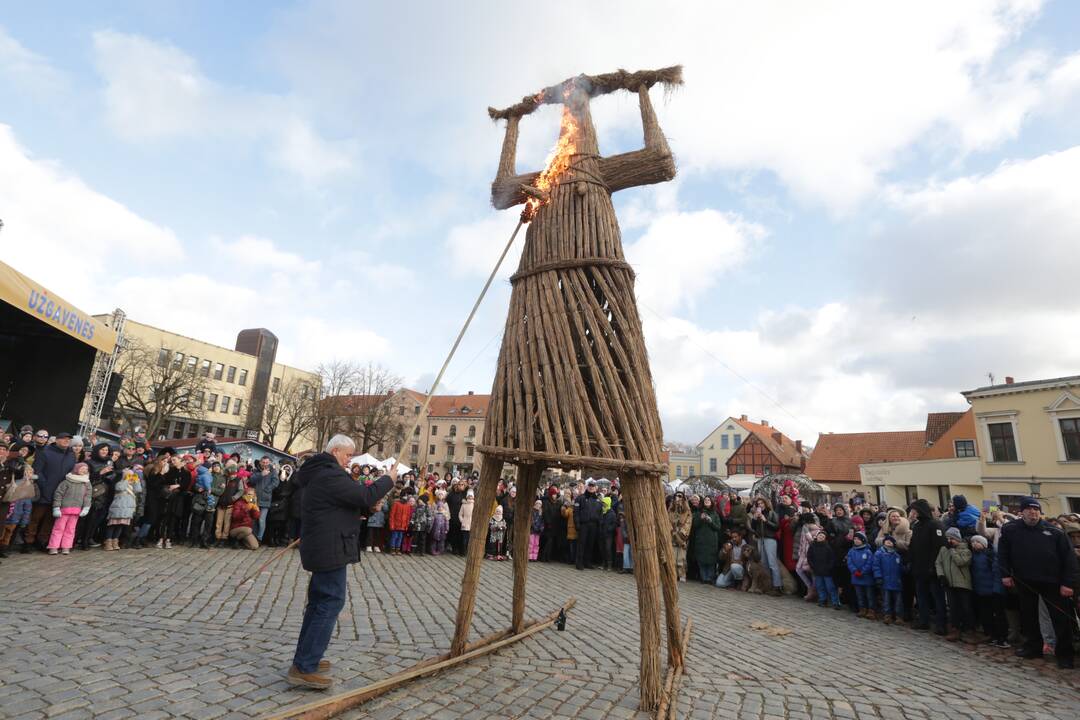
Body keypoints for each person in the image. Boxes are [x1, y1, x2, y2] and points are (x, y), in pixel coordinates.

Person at [288, 435, 393, 689]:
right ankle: (304, 666)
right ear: (335, 451)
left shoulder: (325, 472)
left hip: (327, 544)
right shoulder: (329, 474)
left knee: (318, 604)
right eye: (347, 455)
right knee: (329, 602)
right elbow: (363, 495)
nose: (350, 460)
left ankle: (305, 659)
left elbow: (348, 503)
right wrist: (388, 480)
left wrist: (368, 509)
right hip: (329, 546)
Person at [998, 496, 1078, 669]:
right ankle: (1033, 647)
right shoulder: (1010, 529)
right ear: (1022, 512)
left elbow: (1069, 559)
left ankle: (1065, 654)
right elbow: (1003, 553)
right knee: (1029, 617)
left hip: (1053, 583)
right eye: (1029, 510)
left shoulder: (1055, 532)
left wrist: (1068, 583)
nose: (1033, 513)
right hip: (1024, 580)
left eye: (1036, 510)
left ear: (1040, 513)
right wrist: (1005, 574)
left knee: (1060, 619)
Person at [28, 431, 76, 550]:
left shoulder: (71, 455)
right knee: (35, 518)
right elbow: (38, 471)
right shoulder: (45, 452)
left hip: (60, 494)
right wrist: (45, 486)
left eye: (68, 439)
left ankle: (42, 541)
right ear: (57, 440)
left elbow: (71, 474)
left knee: (50, 519)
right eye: (64, 438)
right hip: (44, 491)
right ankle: (28, 542)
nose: (66, 441)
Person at [908, 499, 947, 634]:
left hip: (932, 569)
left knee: (937, 597)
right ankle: (924, 621)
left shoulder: (935, 525)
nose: (912, 513)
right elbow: (913, 546)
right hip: (919, 568)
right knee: (921, 596)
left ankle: (941, 624)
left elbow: (939, 547)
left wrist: (933, 566)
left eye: (915, 510)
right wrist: (911, 561)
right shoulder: (917, 526)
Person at [969, 534, 1009, 647]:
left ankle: (1002, 638)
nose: (974, 544)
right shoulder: (973, 556)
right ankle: (991, 635)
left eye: (977, 542)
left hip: (993, 590)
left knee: (998, 615)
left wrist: (997, 588)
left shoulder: (990, 555)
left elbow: (996, 572)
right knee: (986, 615)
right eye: (973, 542)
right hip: (980, 590)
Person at [936, 527, 974, 642]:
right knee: (953, 608)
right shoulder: (943, 549)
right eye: (947, 538)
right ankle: (955, 629)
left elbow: (961, 562)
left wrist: (952, 550)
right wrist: (941, 575)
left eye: (951, 538)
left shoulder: (965, 550)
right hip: (949, 583)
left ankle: (968, 629)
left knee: (965, 607)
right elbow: (938, 562)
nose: (949, 541)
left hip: (962, 583)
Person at [47, 462, 92, 555]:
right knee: (58, 528)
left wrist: (86, 507)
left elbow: (88, 496)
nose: (84, 471)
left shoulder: (86, 483)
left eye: (85, 469)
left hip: (76, 510)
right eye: (82, 468)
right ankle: (53, 546)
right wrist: (56, 507)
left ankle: (66, 546)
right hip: (64, 509)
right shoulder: (67, 481)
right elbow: (58, 494)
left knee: (71, 529)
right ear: (76, 469)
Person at [873, 535, 904, 624]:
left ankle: (898, 616)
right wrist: (878, 577)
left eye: (891, 541)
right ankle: (887, 615)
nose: (889, 542)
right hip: (885, 580)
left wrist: (905, 569)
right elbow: (876, 566)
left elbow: (900, 568)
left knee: (898, 601)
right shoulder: (879, 553)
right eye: (887, 541)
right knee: (886, 600)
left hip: (896, 581)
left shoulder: (897, 555)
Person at [691, 495, 722, 584]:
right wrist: (700, 519)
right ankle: (704, 578)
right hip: (700, 540)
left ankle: (709, 578)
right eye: (705, 500)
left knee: (711, 560)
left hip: (711, 541)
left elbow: (718, 527)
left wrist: (710, 521)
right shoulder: (699, 512)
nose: (707, 501)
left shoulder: (715, 514)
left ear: (712, 502)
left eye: (709, 500)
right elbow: (694, 525)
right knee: (701, 559)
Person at [808, 528, 841, 609]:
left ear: (825, 538)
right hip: (817, 570)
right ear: (817, 536)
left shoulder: (828, 547)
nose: (821, 537)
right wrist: (813, 566)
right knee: (820, 586)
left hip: (827, 571)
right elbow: (809, 557)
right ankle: (823, 600)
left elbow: (832, 559)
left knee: (831, 587)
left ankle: (835, 602)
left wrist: (829, 567)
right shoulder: (812, 546)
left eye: (823, 536)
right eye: (820, 535)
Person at [847, 531, 877, 619]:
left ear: (863, 540)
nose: (856, 541)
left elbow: (870, 563)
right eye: (855, 539)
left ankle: (871, 610)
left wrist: (863, 571)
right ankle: (862, 609)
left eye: (858, 539)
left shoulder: (868, 551)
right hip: (856, 577)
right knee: (859, 595)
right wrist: (854, 571)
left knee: (869, 595)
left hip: (866, 577)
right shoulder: (851, 551)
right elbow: (850, 562)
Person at [249, 456, 280, 542]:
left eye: (267, 462)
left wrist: (267, 489)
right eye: (263, 462)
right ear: (260, 462)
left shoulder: (273, 471)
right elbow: (251, 480)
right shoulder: (256, 470)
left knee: (261, 520)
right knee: (254, 519)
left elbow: (276, 482)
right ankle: (253, 537)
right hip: (254, 499)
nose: (265, 464)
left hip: (265, 498)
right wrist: (261, 474)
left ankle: (259, 538)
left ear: (269, 462)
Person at [574, 480, 603, 570]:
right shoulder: (580, 498)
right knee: (581, 544)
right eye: (590, 486)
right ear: (587, 487)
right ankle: (579, 563)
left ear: (596, 488)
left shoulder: (598, 500)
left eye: (593, 486)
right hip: (584, 524)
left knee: (590, 544)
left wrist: (599, 525)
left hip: (593, 525)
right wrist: (577, 524)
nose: (591, 487)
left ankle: (587, 562)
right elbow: (576, 512)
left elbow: (600, 514)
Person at [668, 491, 692, 582]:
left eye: (680, 496)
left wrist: (682, 532)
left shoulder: (687, 510)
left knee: (681, 558)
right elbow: (667, 520)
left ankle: (682, 574)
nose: (678, 498)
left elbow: (688, 523)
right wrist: (671, 530)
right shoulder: (671, 509)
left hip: (682, 536)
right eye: (676, 496)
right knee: (672, 556)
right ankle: (673, 574)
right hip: (672, 534)